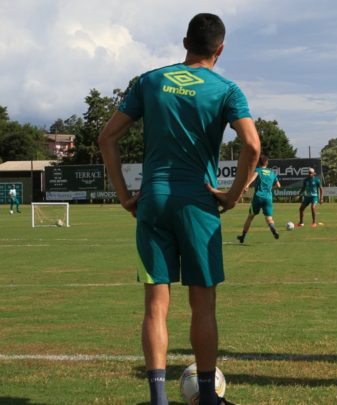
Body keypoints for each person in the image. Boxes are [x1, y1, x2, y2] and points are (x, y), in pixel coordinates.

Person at [98, 13, 260, 405]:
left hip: (153, 198)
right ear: (220, 49)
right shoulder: (226, 89)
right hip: (198, 202)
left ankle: (158, 398)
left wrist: (123, 193)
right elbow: (253, 146)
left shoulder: (150, 81)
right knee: (202, 304)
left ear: (184, 40)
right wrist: (234, 194)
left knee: (156, 305)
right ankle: (207, 397)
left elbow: (107, 137)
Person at [237, 155, 281, 243]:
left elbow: (253, 177)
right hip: (268, 198)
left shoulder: (258, 170)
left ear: (258, 163)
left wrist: (247, 185)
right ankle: (272, 228)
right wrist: (270, 189)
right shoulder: (272, 173)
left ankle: (243, 236)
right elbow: (278, 185)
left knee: (250, 217)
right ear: (267, 163)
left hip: (258, 197)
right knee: (269, 217)